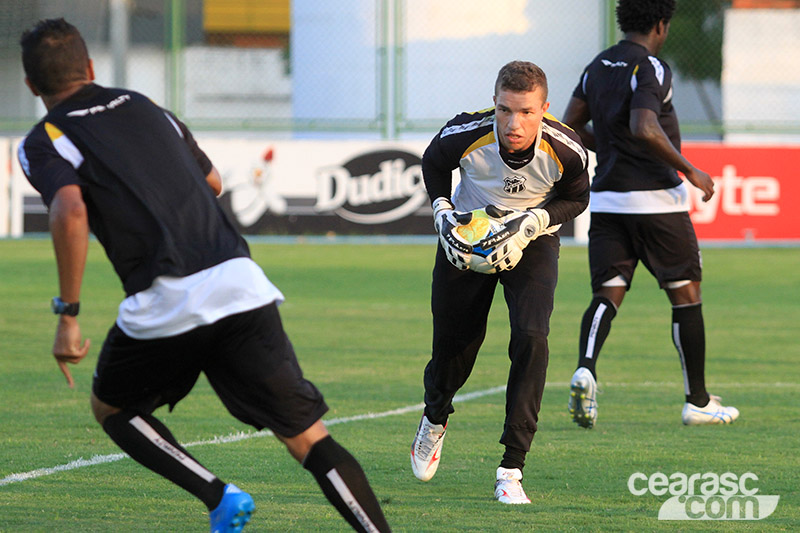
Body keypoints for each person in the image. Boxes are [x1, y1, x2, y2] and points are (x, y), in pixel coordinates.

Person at [18, 18, 390, 533]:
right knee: (309, 438)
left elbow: (70, 210)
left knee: (113, 407)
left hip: (166, 299)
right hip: (239, 281)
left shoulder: (46, 138)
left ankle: (218, 496)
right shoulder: (148, 108)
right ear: (91, 68)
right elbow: (212, 181)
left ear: (32, 86)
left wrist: (69, 314)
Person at [410, 61, 590, 504]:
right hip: (468, 240)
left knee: (532, 336)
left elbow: (577, 197)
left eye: (526, 112)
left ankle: (511, 467)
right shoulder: (464, 133)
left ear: (544, 109)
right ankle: (434, 418)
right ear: (494, 103)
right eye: (505, 110)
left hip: (532, 242)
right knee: (455, 347)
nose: (514, 123)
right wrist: (442, 211)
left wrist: (535, 220)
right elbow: (433, 164)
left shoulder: (567, 149)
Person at [562, 0, 739, 429]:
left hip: (606, 202)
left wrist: (607, 146)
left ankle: (586, 368)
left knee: (608, 292)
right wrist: (690, 169)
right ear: (661, 24)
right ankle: (697, 401)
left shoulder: (597, 66)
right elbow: (644, 125)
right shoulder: (652, 67)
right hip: (658, 202)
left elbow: (567, 126)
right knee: (685, 294)